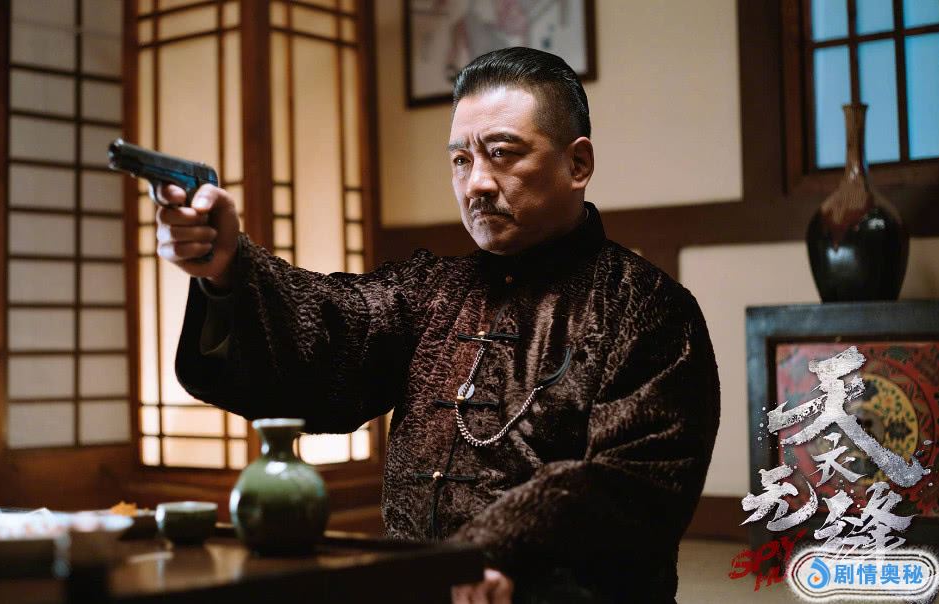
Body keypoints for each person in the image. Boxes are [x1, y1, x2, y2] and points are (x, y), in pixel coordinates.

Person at [159, 47, 721, 603]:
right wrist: (230, 268)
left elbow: (634, 483)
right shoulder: (431, 289)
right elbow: (333, 326)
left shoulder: (644, 305)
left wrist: (498, 547)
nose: (477, 183)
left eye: (501, 154)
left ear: (578, 165)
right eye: (460, 160)